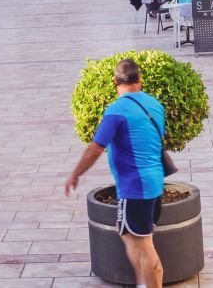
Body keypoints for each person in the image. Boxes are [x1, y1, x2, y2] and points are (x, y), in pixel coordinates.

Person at [64, 59, 165, 288]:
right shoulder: (154, 104)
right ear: (140, 79)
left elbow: (96, 148)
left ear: (114, 81)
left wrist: (75, 174)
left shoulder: (116, 111)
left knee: (145, 246)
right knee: (128, 235)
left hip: (134, 188)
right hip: (155, 184)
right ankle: (142, 283)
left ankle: (152, 284)